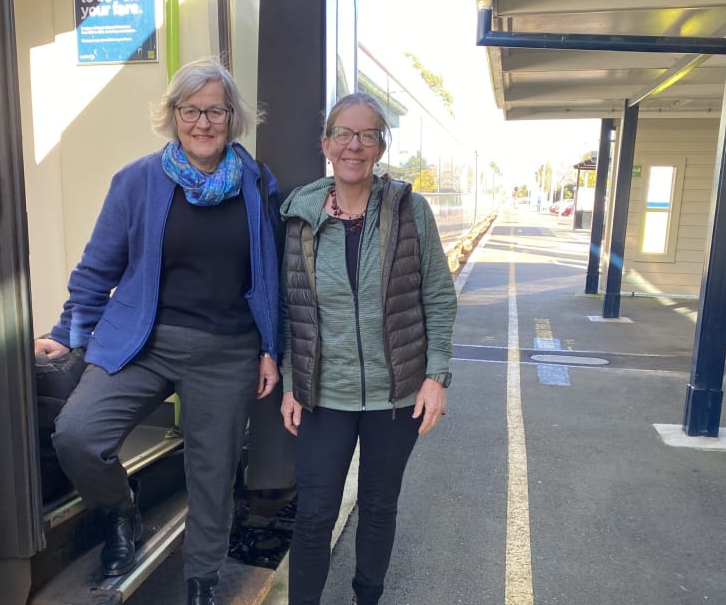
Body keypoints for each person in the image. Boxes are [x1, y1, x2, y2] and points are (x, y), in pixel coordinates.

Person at [35, 57, 280, 605]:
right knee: (78, 433)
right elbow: (98, 267)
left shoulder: (258, 184)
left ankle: (202, 583)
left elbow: (270, 275)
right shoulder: (138, 180)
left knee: (213, 476)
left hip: (226, 351)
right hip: (142, 341)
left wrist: (271, 348)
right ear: (172, 115)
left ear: (232, 116)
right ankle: (121, 515)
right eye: (189, 110)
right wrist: (66, 331)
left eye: (214, 110)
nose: (202, 122)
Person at [278, 92, 457, 605]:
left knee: (379, 507)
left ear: (380, 146)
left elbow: (438, 296)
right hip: (325, 395)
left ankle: (367, 598)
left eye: (368, 135)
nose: (354, 145)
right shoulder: (301, 216)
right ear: (326, 144)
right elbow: (294, 310)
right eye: (344, 134)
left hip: (396, 395)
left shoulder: (409, 210)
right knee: (314, 514)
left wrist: (435, 375)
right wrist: (292, 382)